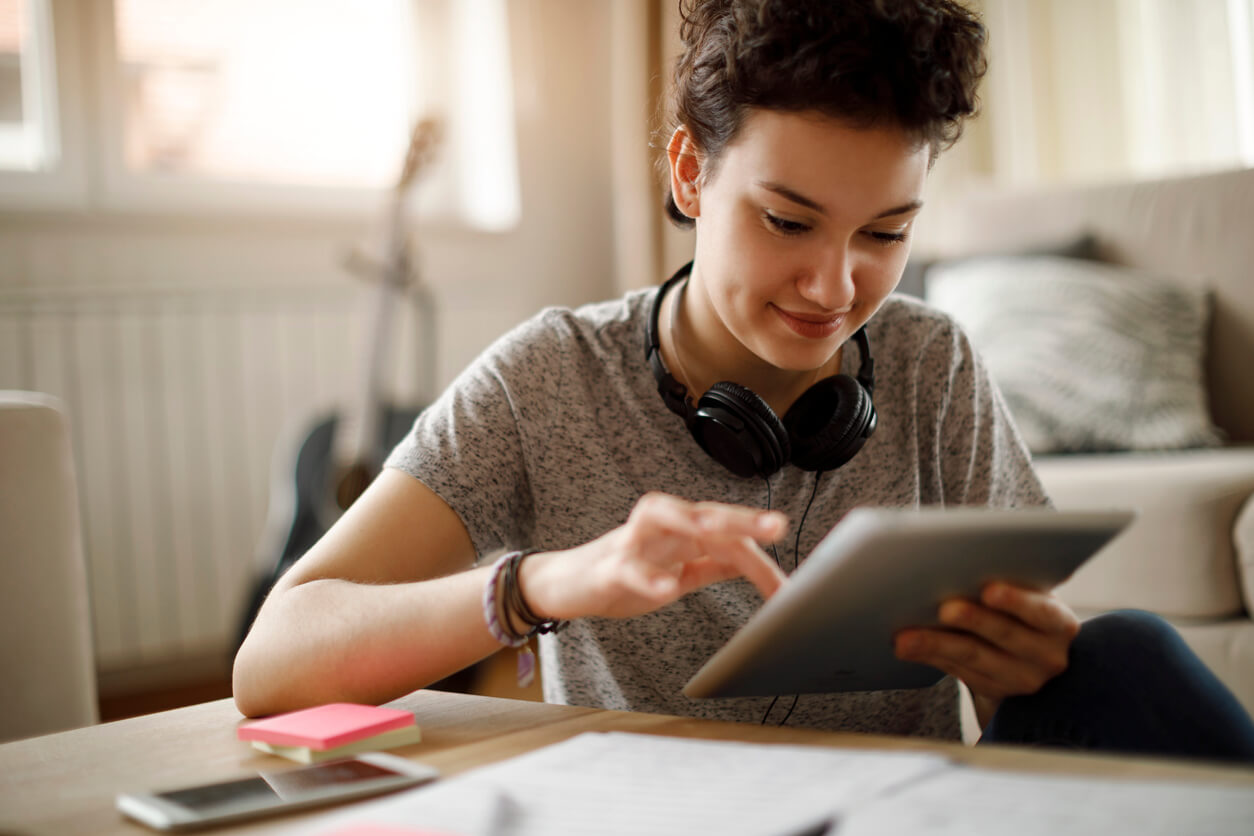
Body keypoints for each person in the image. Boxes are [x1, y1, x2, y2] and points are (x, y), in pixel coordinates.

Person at [234, 0, 1254, 760]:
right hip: (660, 813)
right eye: (787, 220)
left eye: (886, 232)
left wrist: (1023, 668)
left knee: (1121, 650)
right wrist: (542, 583)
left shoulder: (930, 362)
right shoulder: (547, 377)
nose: (835, 285)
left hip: (899, 811)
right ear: (690, 173)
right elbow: (273, 661)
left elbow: (1009, 729)